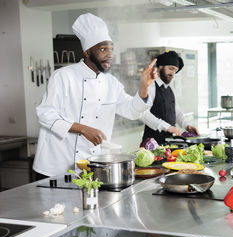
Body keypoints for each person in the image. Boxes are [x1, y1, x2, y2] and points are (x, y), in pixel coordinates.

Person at [33, 13, 157, 178]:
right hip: (55, 166)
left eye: (111, 49)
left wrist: (143, 87)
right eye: (103, 49)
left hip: (89, 164)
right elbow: (45, 114)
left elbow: (132, 111)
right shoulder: (63, 76)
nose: (110, 54)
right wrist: (83, 129)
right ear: (87, 52)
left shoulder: (111, 83)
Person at [140, 51, 199, 145]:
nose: (173, 73)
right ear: (160, 66)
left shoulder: (170, 89)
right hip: (152, 144)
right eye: (170, 68)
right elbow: (143, 113)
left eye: (175, 70)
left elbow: (177, 111)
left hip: (169, 143)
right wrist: (167, 127)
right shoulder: (151, 86)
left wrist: (187, 125)